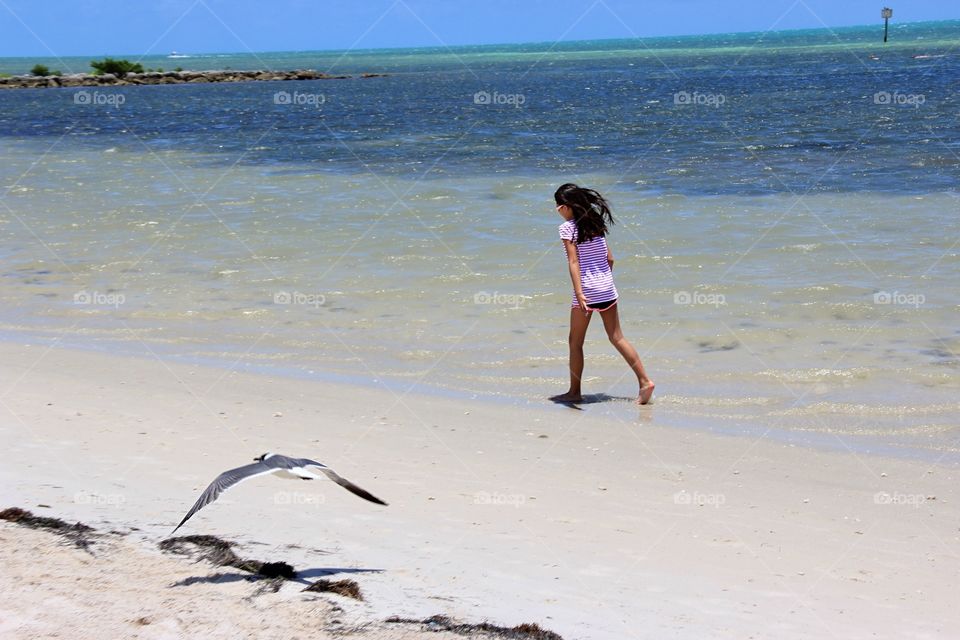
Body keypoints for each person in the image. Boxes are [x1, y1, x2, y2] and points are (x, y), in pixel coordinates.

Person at [550, 183, 655, 405]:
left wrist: (580, 292)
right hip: (607, 288)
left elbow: (573, 261)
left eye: (558, 206)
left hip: (586, 291)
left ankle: (574, 392)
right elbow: (610, 259)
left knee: (575, 342)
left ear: (566, 207)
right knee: (617, 337)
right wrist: (602, 281)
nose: (558, 211)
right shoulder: (595, 223)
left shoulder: (567, 228)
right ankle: (645, 382)